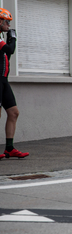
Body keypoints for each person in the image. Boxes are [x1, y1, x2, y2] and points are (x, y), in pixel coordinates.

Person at [0, 8, 28, 160]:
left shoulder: (1, 37)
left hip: (4, 80)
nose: (8, 26)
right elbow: (10, 50)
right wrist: (13, 38)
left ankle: (9, 148)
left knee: (13, 112)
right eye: (6, 22)